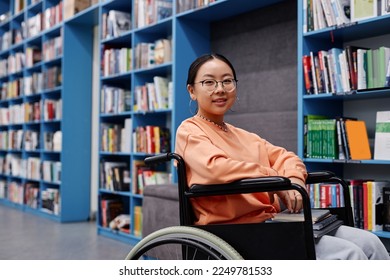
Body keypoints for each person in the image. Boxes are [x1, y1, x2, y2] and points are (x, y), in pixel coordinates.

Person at [174, 53, 390, 260]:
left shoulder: (244, 135)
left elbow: (287, 157)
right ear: (192, 91)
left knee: (369, 242)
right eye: (209, 83)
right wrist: (275, 181)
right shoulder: (189, 130)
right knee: (350, 254)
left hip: (273, 222)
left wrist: (294, 179)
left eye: (227, 81)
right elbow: (216, 168)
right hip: (233, 230)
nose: (220, 89)